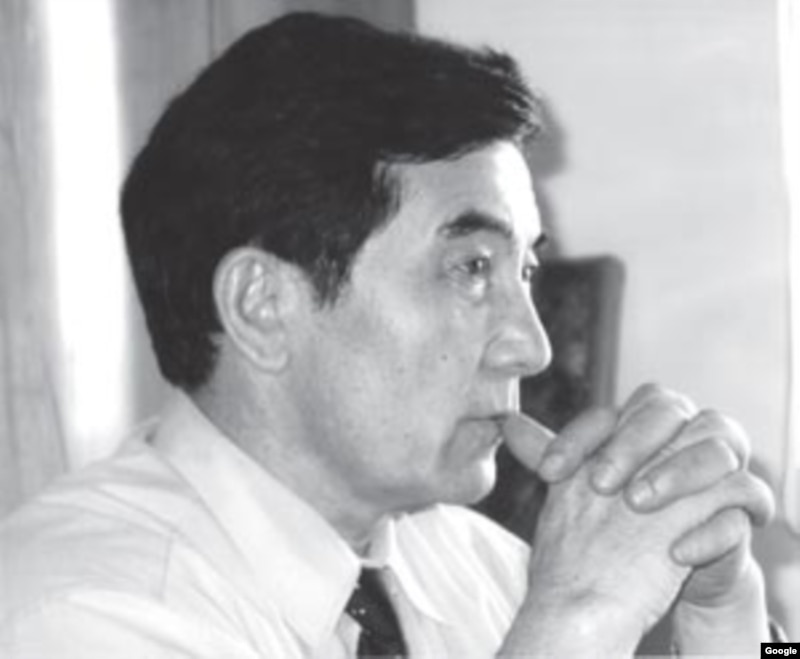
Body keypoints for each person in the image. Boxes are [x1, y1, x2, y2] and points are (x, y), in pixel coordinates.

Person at [0, 12, 776, 657]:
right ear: (263, 305)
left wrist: (725, 617)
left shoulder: (475, 563)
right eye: (472, 267)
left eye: (526, 271)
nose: (533, 345)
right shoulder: (78, 613)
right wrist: (575, 622)